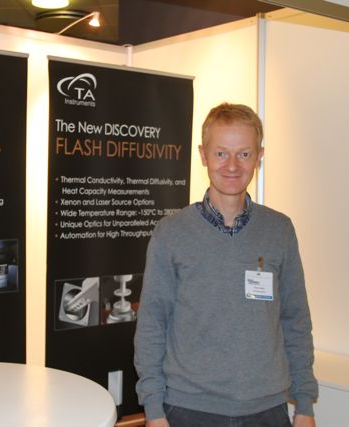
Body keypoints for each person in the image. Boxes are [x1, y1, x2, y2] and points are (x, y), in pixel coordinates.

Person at [134, 103, 318, 427]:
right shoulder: (171, 234)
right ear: (203, 155)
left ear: (259, 157)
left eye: (244, 154)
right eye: (221, 153)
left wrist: (304, 404)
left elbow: (296, 320)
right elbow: (152, 325)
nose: (232, 165)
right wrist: (154, 410)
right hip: (189, 411)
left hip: (267, 412)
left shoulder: (279, 230)